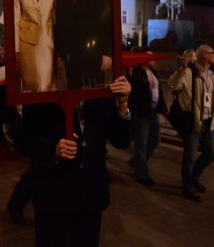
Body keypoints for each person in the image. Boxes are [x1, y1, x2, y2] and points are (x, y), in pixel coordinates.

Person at [15, 77, 132, 247]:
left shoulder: (102, 89)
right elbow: (23, 139)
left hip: (91, 197)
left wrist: (123, 105)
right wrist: (53, 149)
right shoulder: (42, 88)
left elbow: (121, 141)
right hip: (54, 197)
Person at [168, 44, 214, 203]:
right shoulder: (190, 72)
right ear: (205, 56)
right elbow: (173, 85)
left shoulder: (211, 75)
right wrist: (182, 68)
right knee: (190, 156)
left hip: (208, 122)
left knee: (211, 153)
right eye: (213, 53)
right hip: (194, 122)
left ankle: (194, 177)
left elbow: (213, 100)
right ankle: (188, 186)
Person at [13, 0, 57, 93]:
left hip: (50, 43)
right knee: (30, 87)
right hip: (27, 45)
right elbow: (14, 19)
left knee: (48, 86)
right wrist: (16, 50)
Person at [127, 50, 168, 186]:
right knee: (141, 145)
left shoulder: (153, 73)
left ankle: (137, 162)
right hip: (141, 113)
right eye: (150, 56)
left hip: (152, 112)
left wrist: (162, 108)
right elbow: (133, 90)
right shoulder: (136, 73)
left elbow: (159, 92)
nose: (154, 59)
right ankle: (142, 174)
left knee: (155, 139)